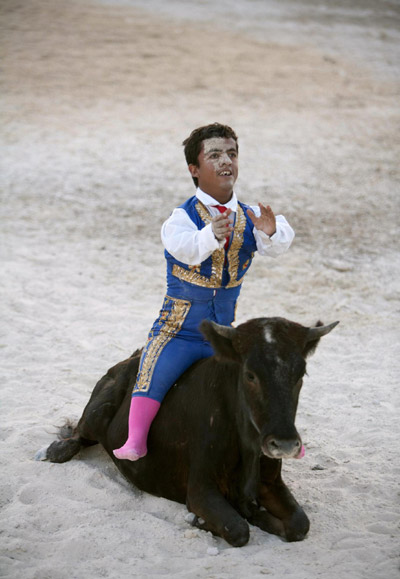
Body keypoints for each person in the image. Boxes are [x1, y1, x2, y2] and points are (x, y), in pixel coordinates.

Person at [113, 122, 295, 461]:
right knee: (152, 374)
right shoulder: (180, 219)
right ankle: (135, 440)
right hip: (178, 332)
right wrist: (210, 233)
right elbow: (186, 249)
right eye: (214, 155)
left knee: (264, 386)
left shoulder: (251, 216)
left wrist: (269, 232)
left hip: (224, 336)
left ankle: (279, 436)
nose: (226, 161)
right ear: (194, 170)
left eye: (231, 153)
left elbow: (277, 245)